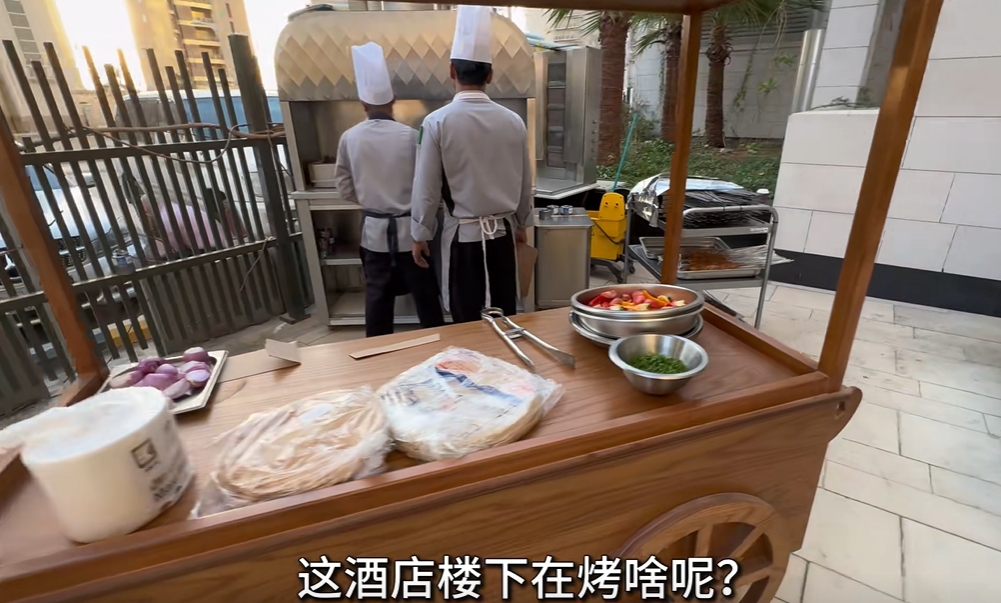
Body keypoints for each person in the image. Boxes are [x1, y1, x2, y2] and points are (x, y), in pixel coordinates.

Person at [410, 5, 533, 324]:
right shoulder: (513, 121)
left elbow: (426, 186)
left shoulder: (436, 122)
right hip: (502, 236)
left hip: (463, 239)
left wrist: (420, 233)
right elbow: (525, 181)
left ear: (451, 71)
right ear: (490, 75)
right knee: (504, 314)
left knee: (466, 319)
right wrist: (523, 223)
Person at [333, 42, 445, 337]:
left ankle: (376, 353)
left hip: (374, 233)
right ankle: (440, 347)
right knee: (426, 297)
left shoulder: (349, 137)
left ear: (362, 103)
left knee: (377, 299)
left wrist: (370, 202)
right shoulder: (412, 136)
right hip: (414, 233)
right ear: (393, 99)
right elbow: (429, 184)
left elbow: (344, 187)